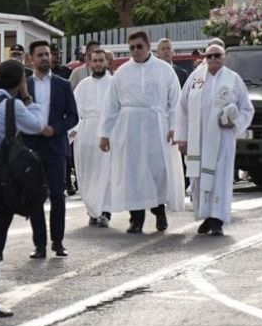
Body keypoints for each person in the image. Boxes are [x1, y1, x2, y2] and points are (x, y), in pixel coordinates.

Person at [0, 59, 46, 317]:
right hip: (0, 179)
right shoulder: (12, 104)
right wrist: (27, 98)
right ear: (20, 82)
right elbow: (37, 125)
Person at [98, 30, 184, 234]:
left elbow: (175, 101)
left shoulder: (164, 70)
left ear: (148, 46)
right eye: (132, 48)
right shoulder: (122, 72)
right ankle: (136, 218)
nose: (136, 51)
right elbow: (111, 105)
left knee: (157, 170)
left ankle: (159, 211)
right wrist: (105, 133)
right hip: (129, 129)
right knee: (133, 172)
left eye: (139, 46)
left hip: (157, 126)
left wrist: (174, 126)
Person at [175, 43, 255, 235]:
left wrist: (234, 123)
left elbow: (246, 109)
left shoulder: (233, 79)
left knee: (219, 178)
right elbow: (182, 108)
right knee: (200, 179)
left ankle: (217, 218)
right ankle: (205, 215)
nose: (212, 59)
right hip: (198, 140)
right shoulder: (195, 78)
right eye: (209, 55)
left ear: (224, 56)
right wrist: (182, 138)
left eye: (217, 55)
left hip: (221, 139)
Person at [22, 40, 79, 257]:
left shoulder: (62, 85)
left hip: (55, 147)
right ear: (31, 59)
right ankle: (40, 245)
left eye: (47, 54)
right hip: (32, 147)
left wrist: (54, 129)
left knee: (57, 195)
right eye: (40, 55)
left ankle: (58, 241)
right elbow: (17, 113)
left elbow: (73, 116)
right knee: (35, 197)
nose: (45, 58)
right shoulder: (24, 85)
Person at [73, 47, 115, 225]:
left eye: (101, 60)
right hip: (87, 133)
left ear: (106, 62)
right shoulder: (83, 85)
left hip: (108, 133)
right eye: (94, 61)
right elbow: (74, 111)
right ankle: (92, 210)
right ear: (89, 63)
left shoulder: (114, 83)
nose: (98, 64)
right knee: (88, 173)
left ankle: (104, 211)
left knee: (106, 173)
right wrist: (73, 131)